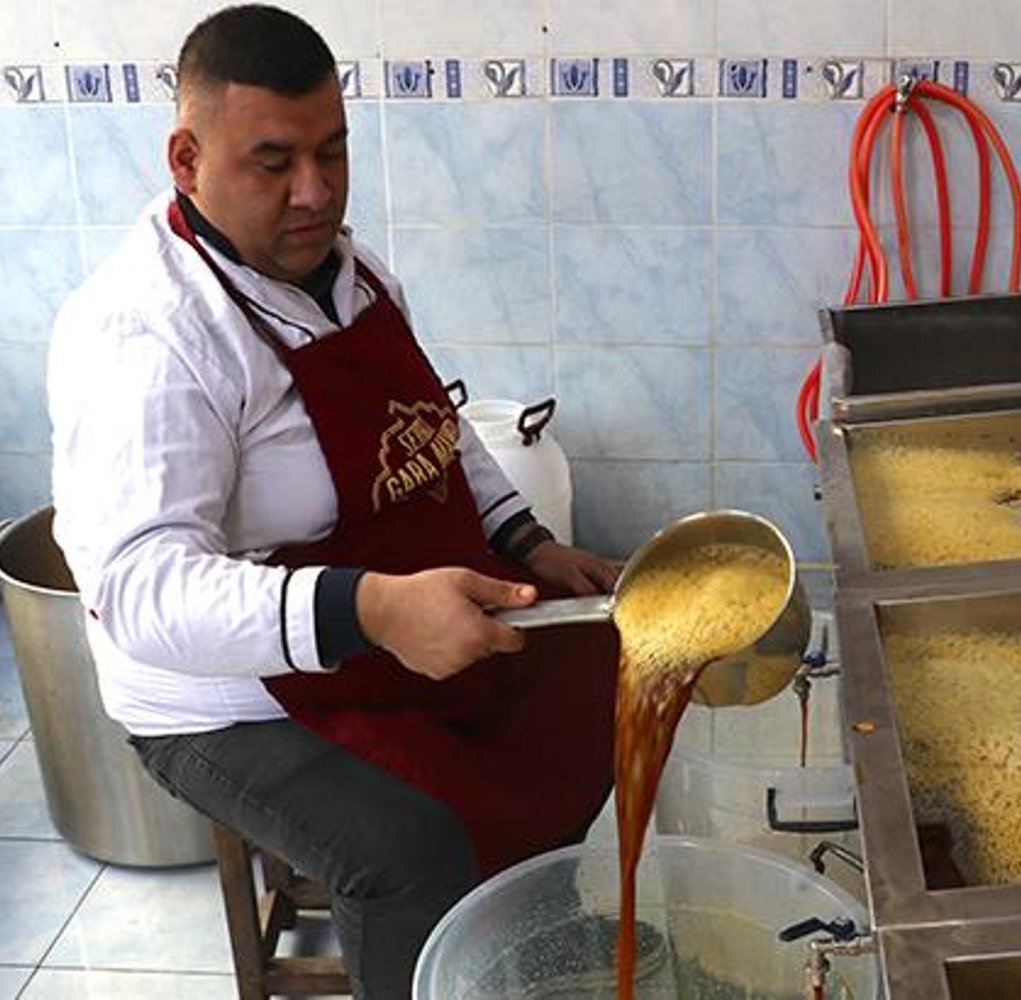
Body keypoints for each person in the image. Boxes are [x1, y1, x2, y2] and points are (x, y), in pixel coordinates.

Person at [47, 5, 620, 996]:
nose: (314, 193)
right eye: (273, 162)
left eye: (333, 151)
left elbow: (428, 433)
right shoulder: (143, 335)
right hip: (229, 697)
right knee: (412, 847)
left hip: (389, 627)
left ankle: (524, 937)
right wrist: (372, 610)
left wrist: (523, 538)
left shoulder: (345, 271)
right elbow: (139, 593)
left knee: (598, 678)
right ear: (186, 157)